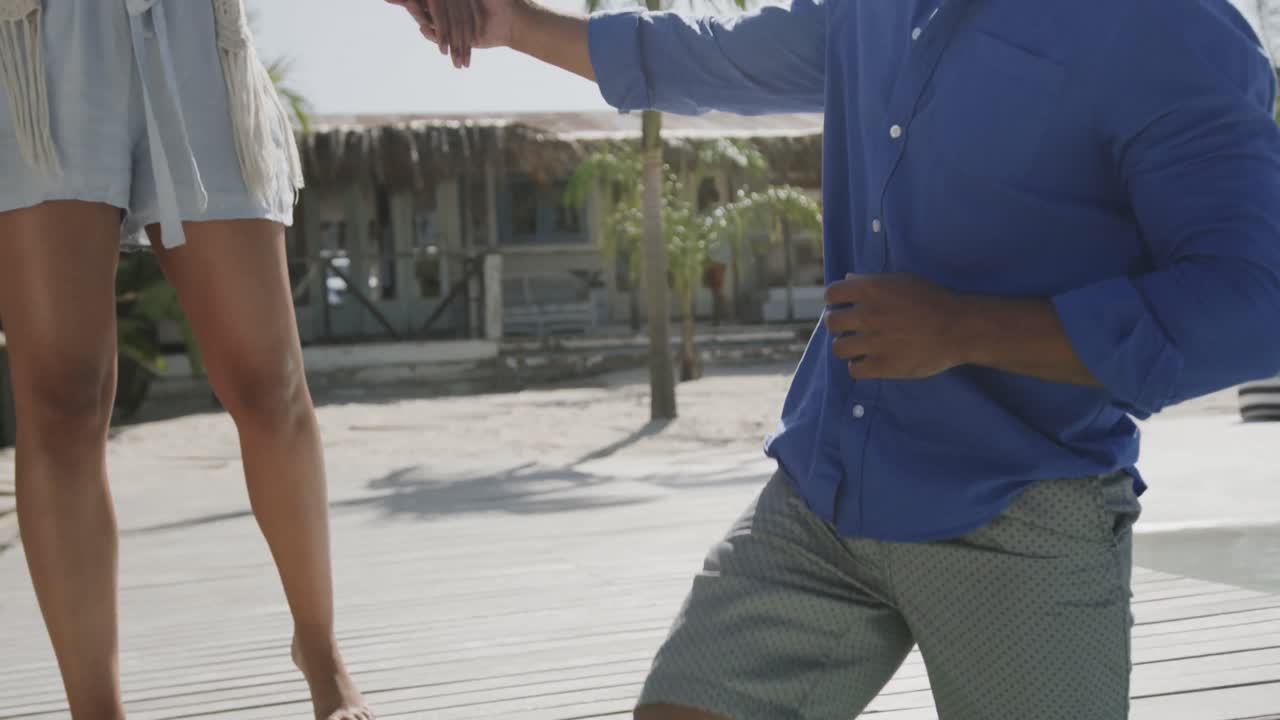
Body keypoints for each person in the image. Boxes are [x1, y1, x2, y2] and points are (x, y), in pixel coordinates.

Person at [395, 0, 1280, 718]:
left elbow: (1252, 302)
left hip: (1021, 507)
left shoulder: (1171, 26)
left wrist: (966, 329)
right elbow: (712, 57)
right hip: (831, 486)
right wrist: (512, 22)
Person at [0, 2, 370, 718]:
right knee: (61, 399)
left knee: (268, 382)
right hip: (37, 35)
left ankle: (321, 655)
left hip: (189, 31)